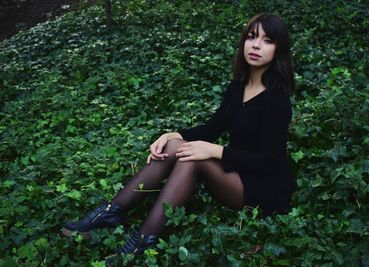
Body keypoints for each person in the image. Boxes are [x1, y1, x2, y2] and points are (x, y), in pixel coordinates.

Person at [62, 12, 295, 256]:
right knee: (176, 146)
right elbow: (213, 127)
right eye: (251, 37)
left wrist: (215, 151)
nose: (256, 45)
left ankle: (142, 241)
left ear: (278, 50)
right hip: (234, 170)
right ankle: (111, 212)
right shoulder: (238, 86)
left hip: (262, 189)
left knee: (193, 159)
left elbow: (268, 161)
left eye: (267, 40)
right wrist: (173, 134)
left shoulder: (277, 101)